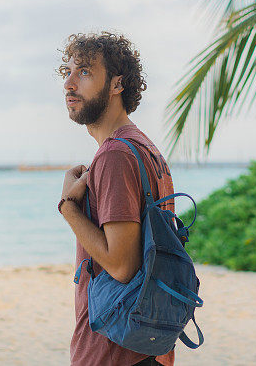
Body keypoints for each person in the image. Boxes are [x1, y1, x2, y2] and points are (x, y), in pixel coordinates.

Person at [56, 31, 176, 366]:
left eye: (84, 72)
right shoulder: (147, 150)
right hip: (145, 346)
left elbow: (122, 265)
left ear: (117, 84)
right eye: (67, 72)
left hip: (113, 352)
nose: (69, 83)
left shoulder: (114, 156)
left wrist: (68, 208)